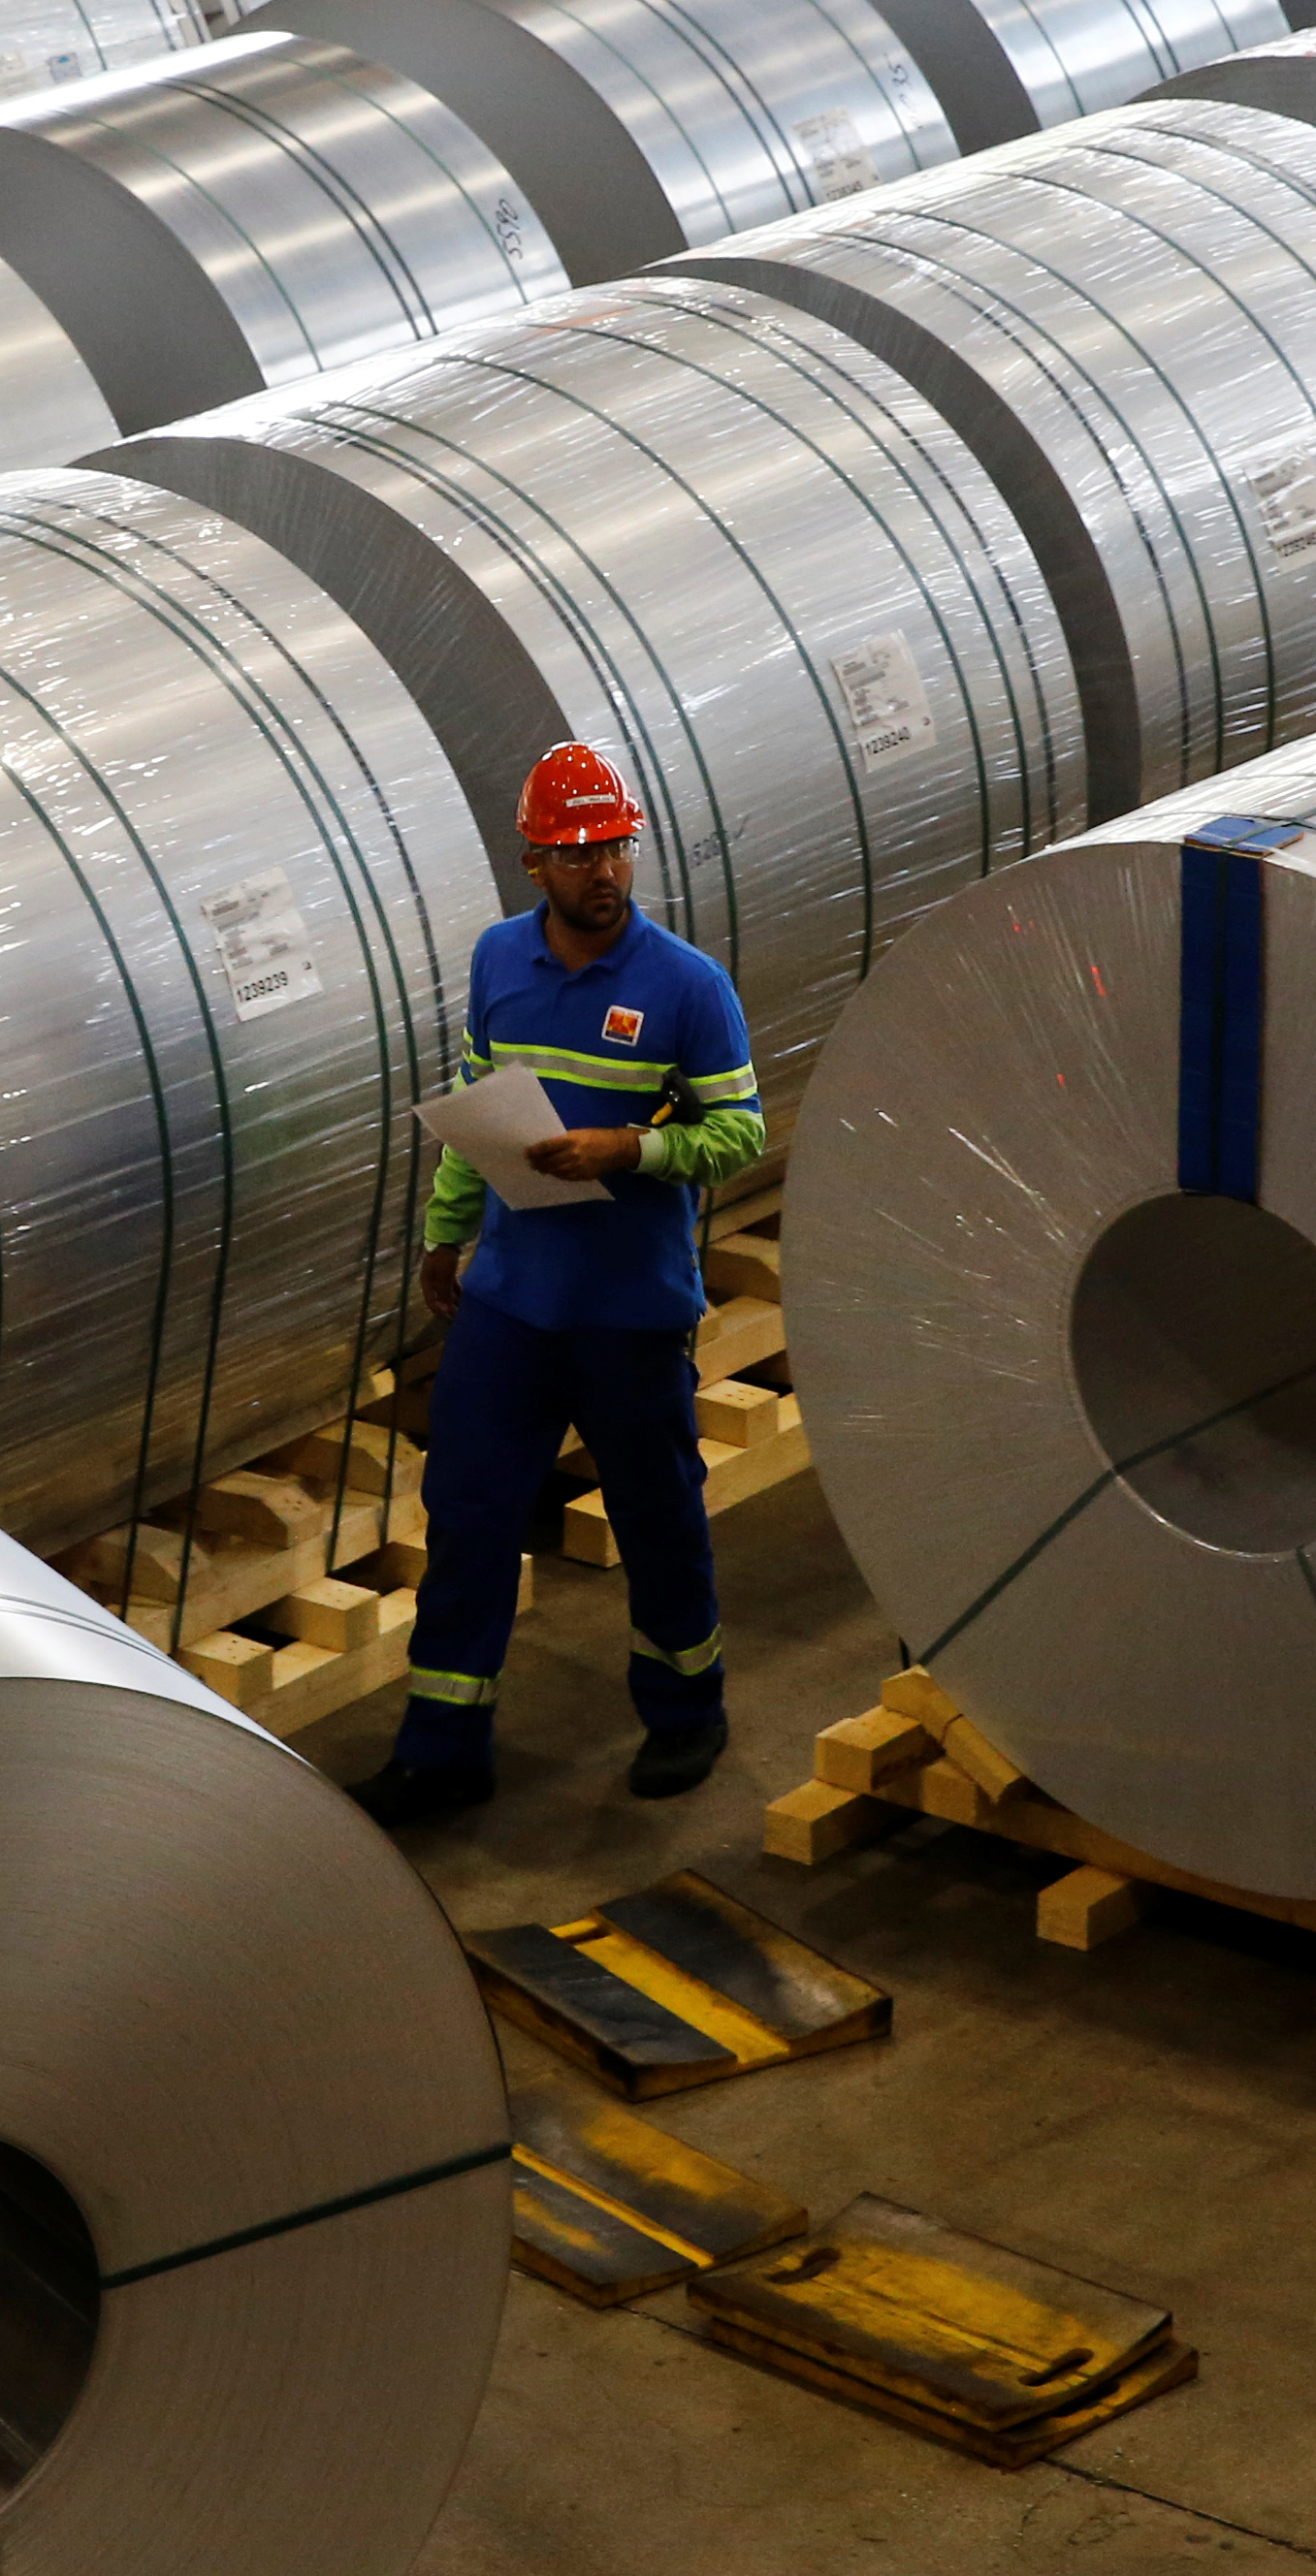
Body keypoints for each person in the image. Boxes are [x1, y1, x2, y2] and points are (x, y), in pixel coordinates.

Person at [349, 741, 759, 1830]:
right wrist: (445, 1239)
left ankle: (686, 1711)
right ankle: (443, 1747)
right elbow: (481, 1114)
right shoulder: (498, 963)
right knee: (470, 1512)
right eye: (577, 856)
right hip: (512, 1303)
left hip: (628, 1311)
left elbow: (740, 1131)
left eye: (615, 848)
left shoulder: (686, 987)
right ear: (534, 862)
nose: (603, 873)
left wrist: (633, 1151)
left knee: (656, 1513)